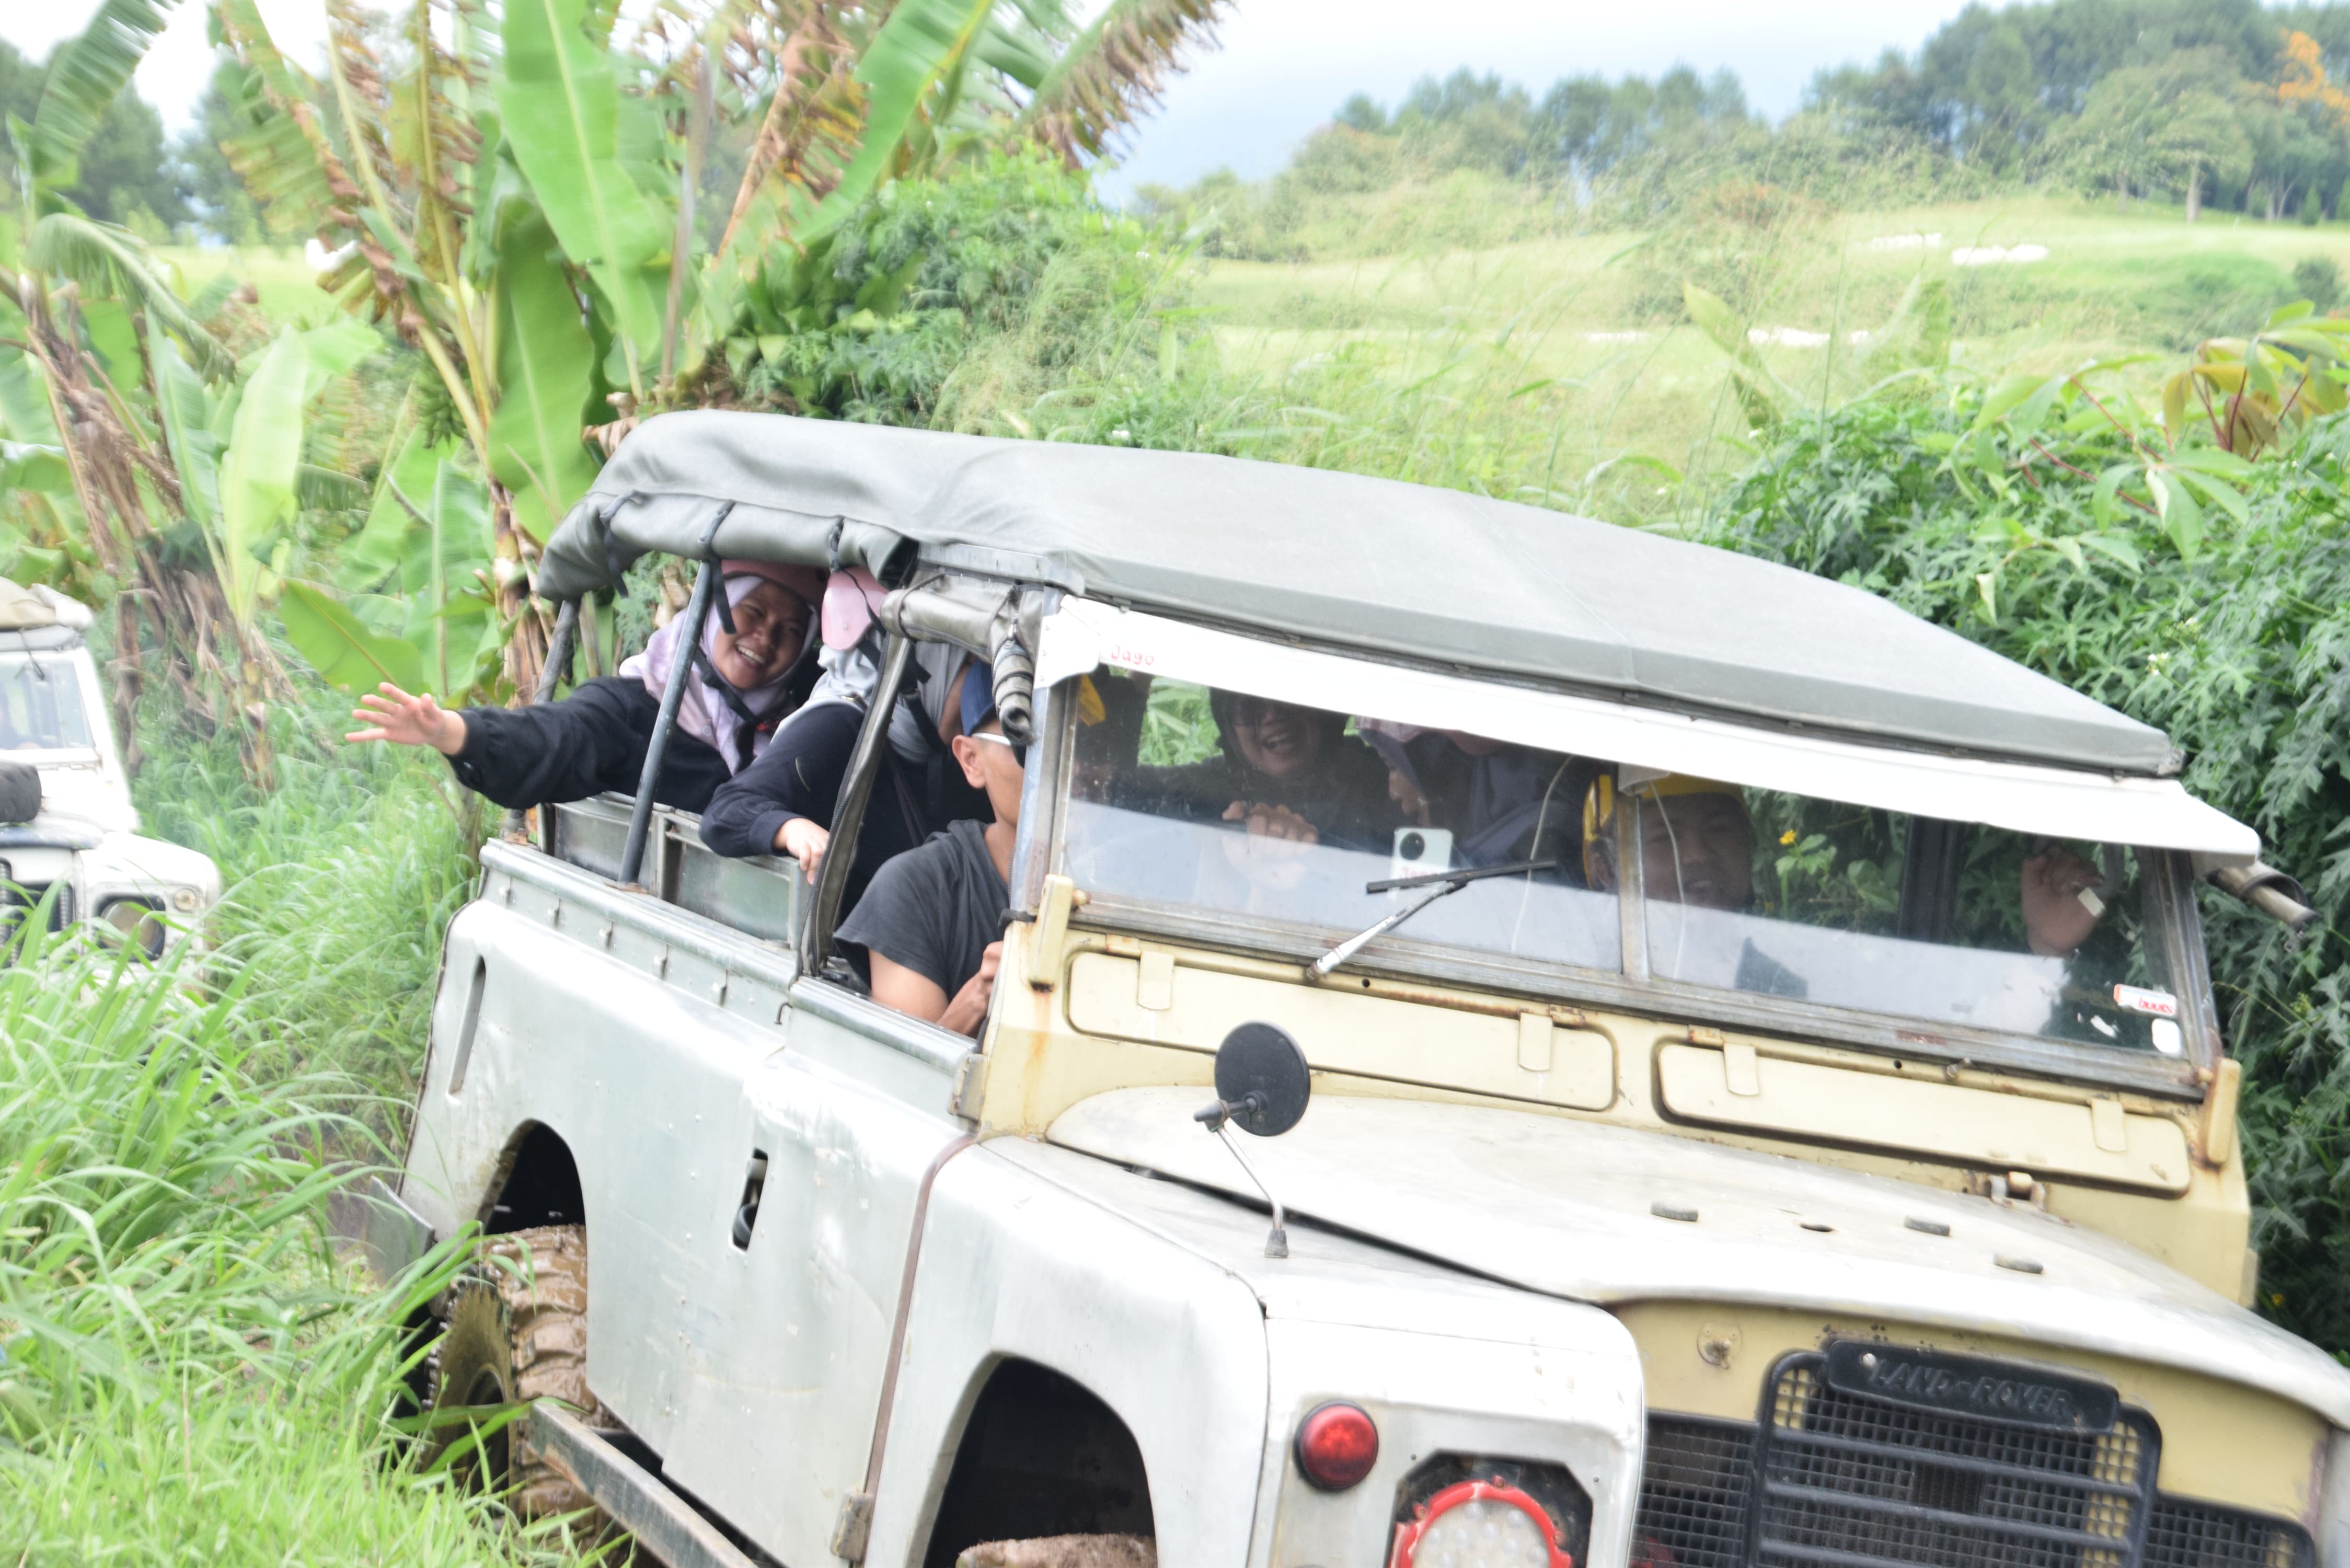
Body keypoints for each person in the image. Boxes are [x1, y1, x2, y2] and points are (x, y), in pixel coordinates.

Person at [348, 561, 822, 814]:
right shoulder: (632, 710)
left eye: (791, 631)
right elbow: (556, 735)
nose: (766, 637)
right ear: (710, 613)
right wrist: (452, 731)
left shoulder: (792, 736)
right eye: (753, 613)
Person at [1581, 770, 2109, 957]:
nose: (1697, 853)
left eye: (1719, 829)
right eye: (1662, 836)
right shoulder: (1558, 976)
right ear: (1604, 868)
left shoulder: (1794, 977)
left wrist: (2045, 947)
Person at [698, 570, 985, 910]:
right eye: (970, 666)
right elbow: (726, 813)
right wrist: (794, 830)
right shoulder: (839, 725)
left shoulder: (944, 750)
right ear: (920, 666)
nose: (982, 692)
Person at [836, 662, 1023, 1036]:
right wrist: (981, 997)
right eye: (1026, 744)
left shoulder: (1140, 886)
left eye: (1080, 741)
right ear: (972, 760)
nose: (1061, 767)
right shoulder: (916, 889)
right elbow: (904, 1076)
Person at [1122, 690, 1396, 850]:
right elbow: (1113, 786)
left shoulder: (1391, 781)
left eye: (1289, 698)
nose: (1272, 716)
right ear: (1229, 725)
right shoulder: (1211, 786)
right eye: (1248, 706)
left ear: (1324, 712)